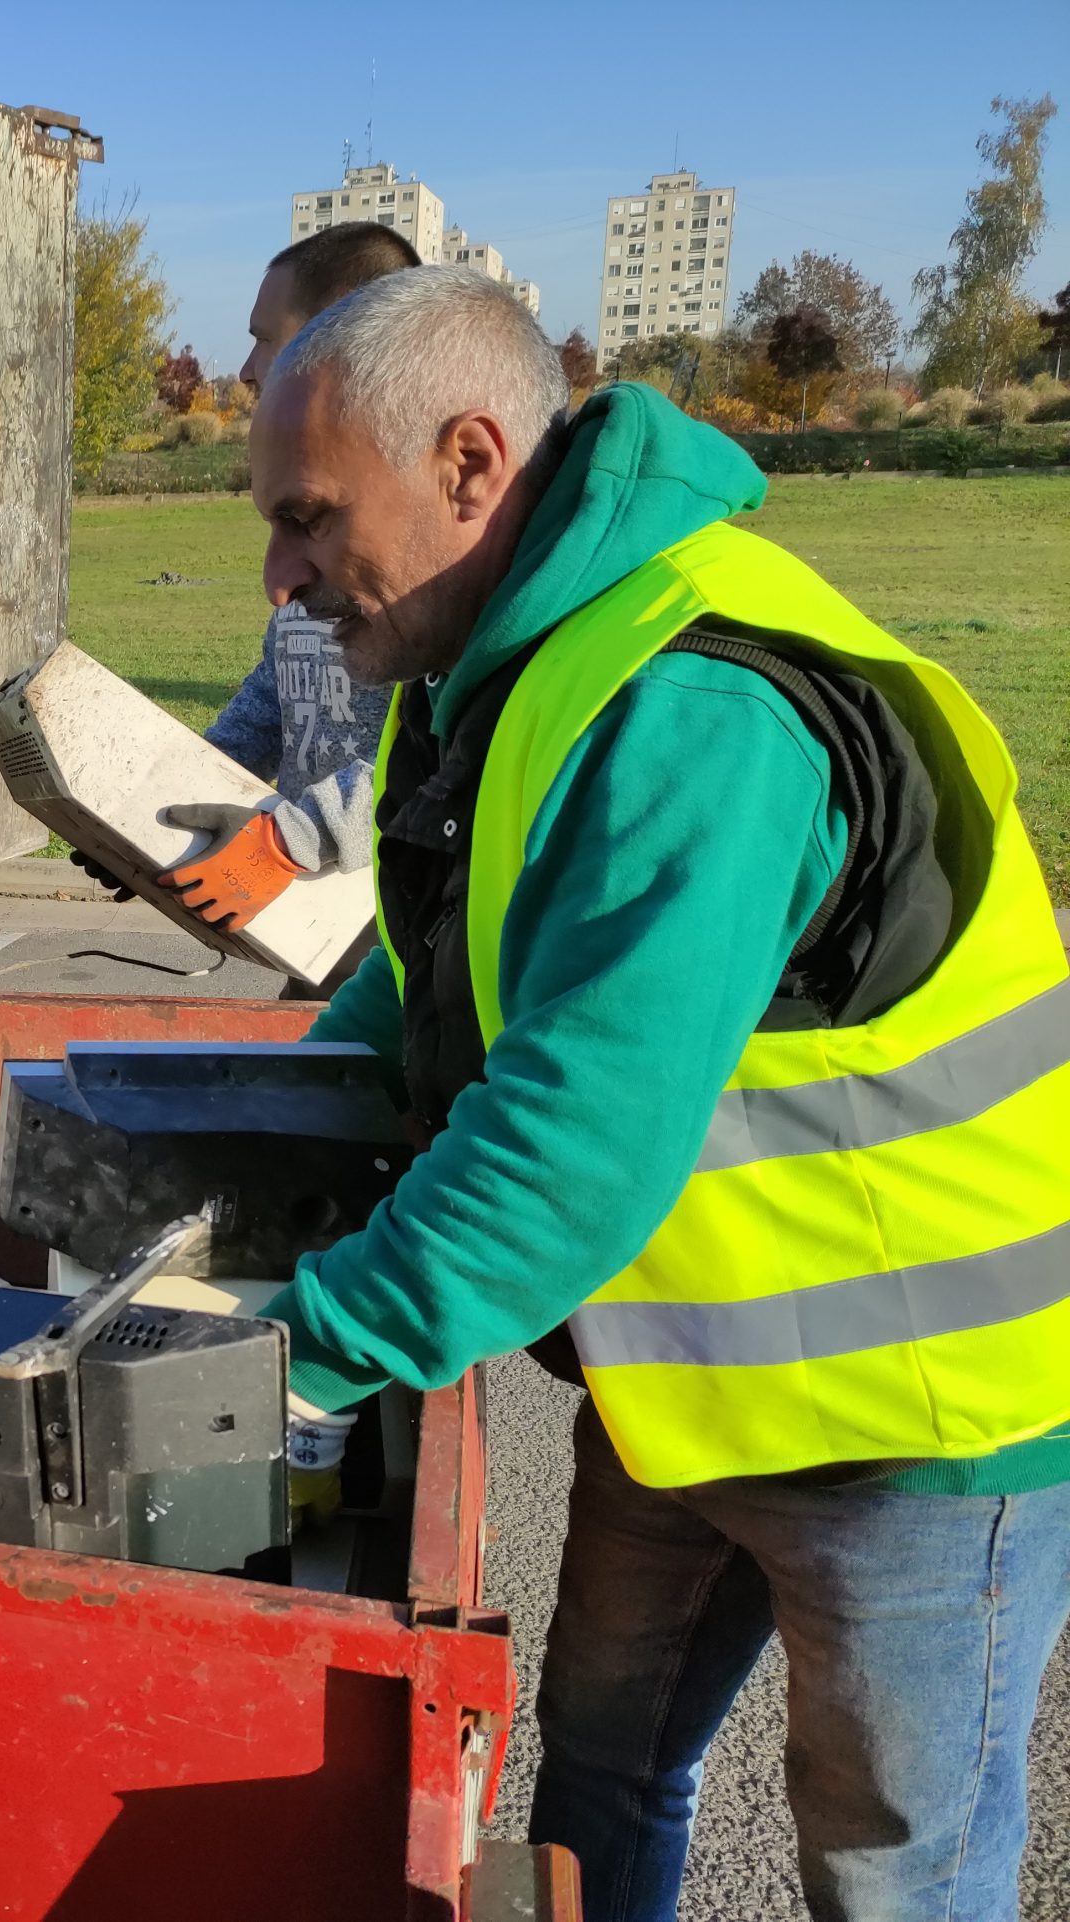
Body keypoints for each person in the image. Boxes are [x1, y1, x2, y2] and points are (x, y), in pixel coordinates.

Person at [250, 266, 1070, 1922]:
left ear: (471, 464)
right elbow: (441, 973)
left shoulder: (692, 701)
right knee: (606, 1772)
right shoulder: (507, 655)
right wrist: (266, 1112)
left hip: (914, 1413)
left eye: (310, 517)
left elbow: (567, 1146)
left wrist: (276, 1358)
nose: (281, 575)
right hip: (695, 1375)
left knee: (893, 1865)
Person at [83, 223, 416, 993]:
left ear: (344, 334)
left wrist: (292, 836)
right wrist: (152, 813)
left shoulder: (413, 574)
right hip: (308, 906)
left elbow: (424, 755)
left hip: (382, 908)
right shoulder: (311, 562)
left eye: (264, 338)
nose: (242, 369)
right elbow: (270, 703)